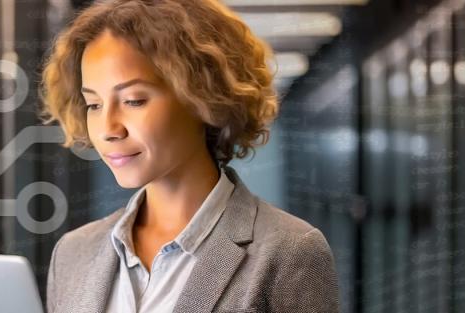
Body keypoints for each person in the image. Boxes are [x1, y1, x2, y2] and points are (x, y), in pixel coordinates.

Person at [37, 0, 341, 312]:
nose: (109, 129)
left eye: (133, 100)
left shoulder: (289, 252)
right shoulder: (73, 253)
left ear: (203, 98)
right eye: (95, 105)